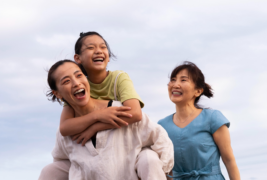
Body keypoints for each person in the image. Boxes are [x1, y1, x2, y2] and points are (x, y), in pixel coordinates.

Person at [39, 32, 172, 180]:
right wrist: (97, 115)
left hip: (125, 140)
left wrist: (164, 170)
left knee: (149, 159)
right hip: (91, 160)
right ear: (58, 93)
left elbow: (136, 114)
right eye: (66, 81)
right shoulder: (73, 100)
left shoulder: (118, 80)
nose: (76, 83)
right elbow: (64, 130)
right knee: (49, 171)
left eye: (78, 76)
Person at [158, 62, 240, 180]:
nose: (175, 84)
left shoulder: (213, 118)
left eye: (183, 80)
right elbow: (165, 169)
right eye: (173, 80)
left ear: (198, 91)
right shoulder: (162, 126)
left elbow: (229, 160)